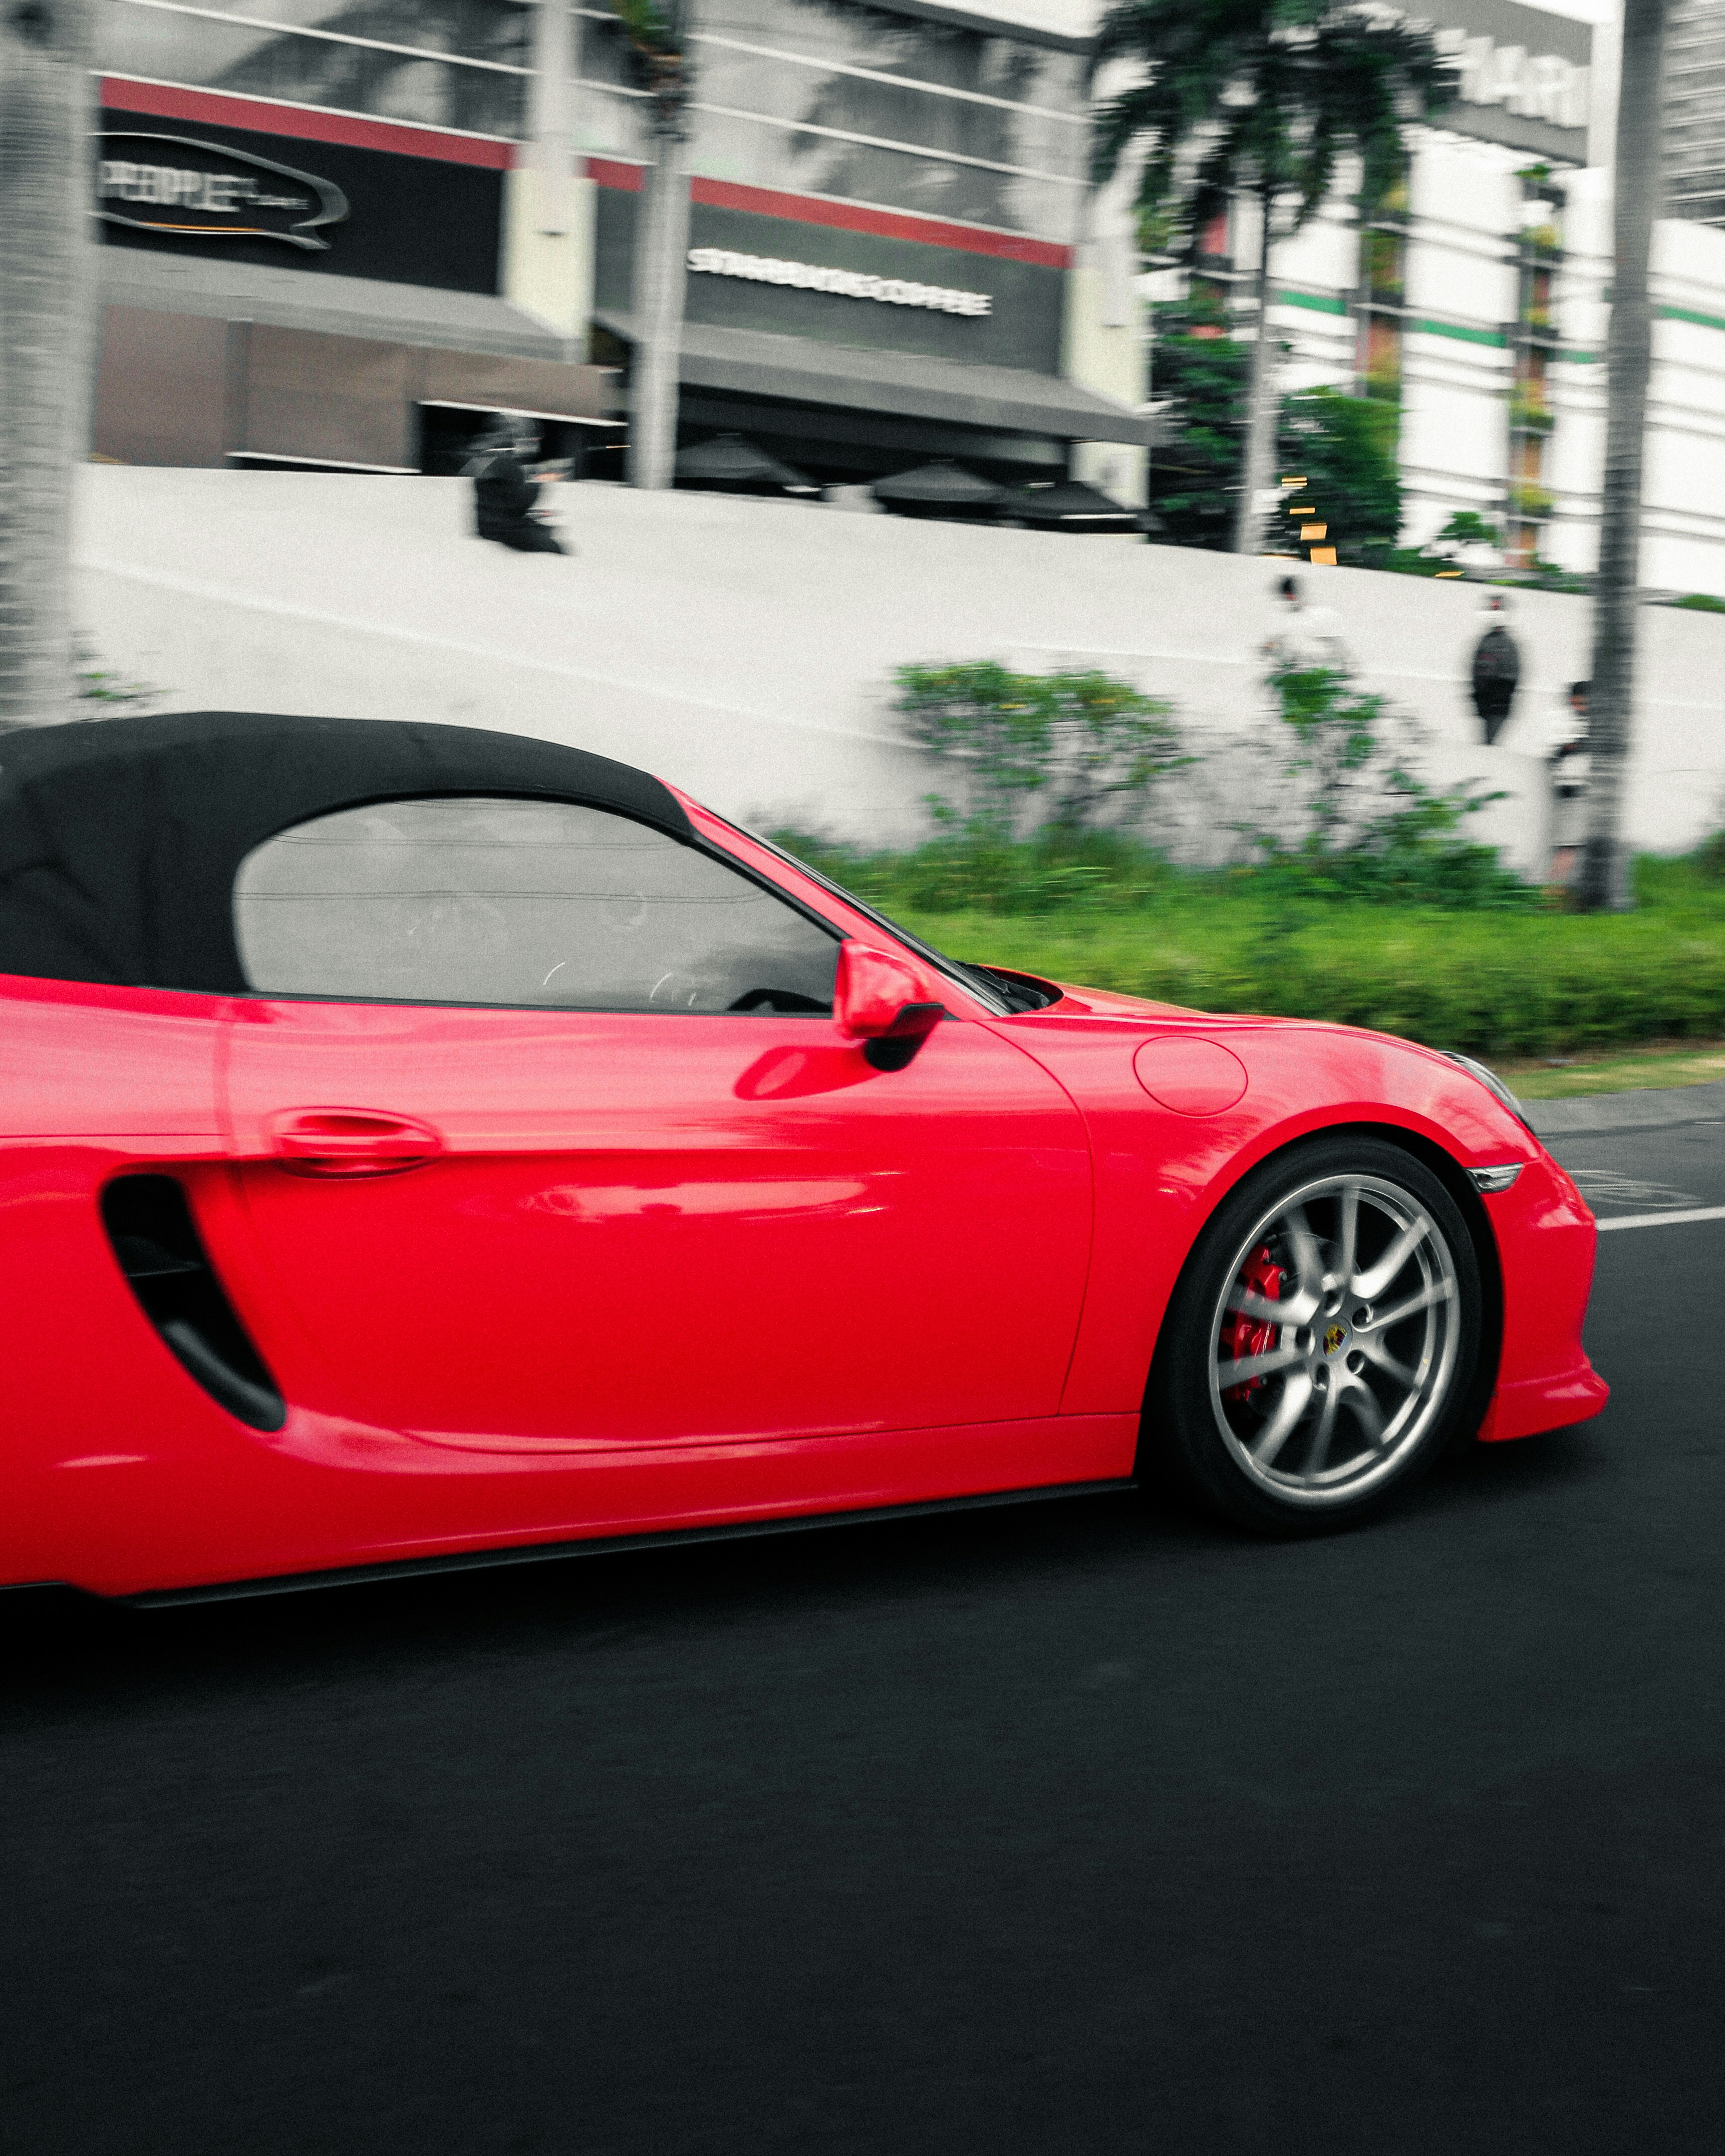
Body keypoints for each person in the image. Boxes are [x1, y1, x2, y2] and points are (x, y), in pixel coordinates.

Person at [464, 416, 567, 554]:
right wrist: (539, 484)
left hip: (490, 527)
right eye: (533, 441)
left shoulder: (489, 461)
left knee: (546, 532)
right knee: (556, 547)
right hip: (503, 531)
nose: (535, 446)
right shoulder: (507, 465)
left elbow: (504, 500)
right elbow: (520, 501)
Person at [1261, 573, 1353, 672]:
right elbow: (1283, 636)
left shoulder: (1313, 615)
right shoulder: (1293, 616)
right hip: (1305, 668)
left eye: (1288, 595)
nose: (1288, 598)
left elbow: (1331, 645)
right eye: (1287, 596)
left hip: (1317, 670)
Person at [1548, 679, 1589, 883]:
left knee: (1570, 845)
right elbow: (1563, 751)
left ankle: (1557, 890)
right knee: (1569, 845)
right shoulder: (1572, 725)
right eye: (1578, 702)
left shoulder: (1576, 724)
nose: (1579, 707)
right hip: (1573, 790)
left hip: (1573, 789)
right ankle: (1553, 892)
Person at [1470, 592, 1520, 744]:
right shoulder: (1485, 641)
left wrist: (1502, 695)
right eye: (1492, 609)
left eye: (1497, 609)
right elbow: (1476, 668)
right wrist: (1478, 691)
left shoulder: (1509, 643)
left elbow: (1513, 674)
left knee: (1490, 741)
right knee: (1486, 741)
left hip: (1498, 700)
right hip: (1485, 698)